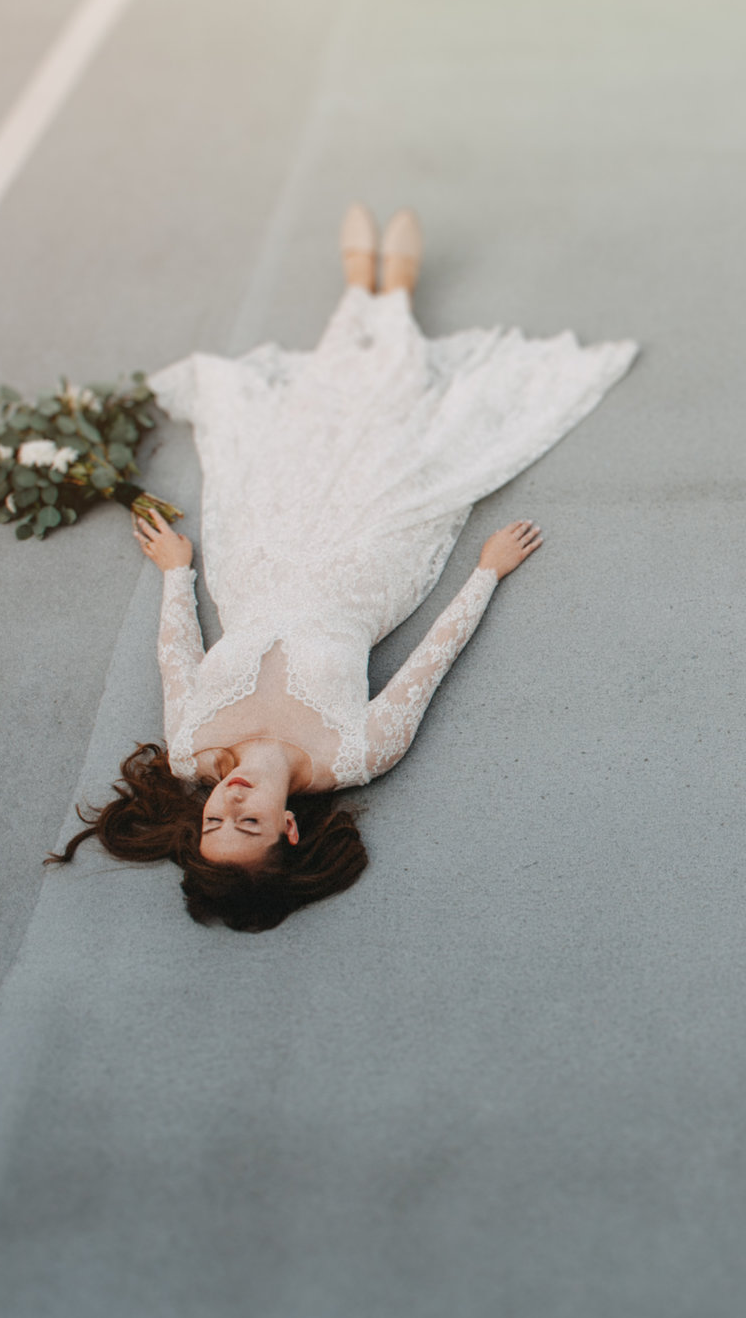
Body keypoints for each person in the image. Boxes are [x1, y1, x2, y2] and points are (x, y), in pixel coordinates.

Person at [56, 204, 637, 932]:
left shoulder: (188, 751)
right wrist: (486, 571)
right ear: (289, 830)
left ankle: (358, 289)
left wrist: (179, 572)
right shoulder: (357, 754)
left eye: (214, 824)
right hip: (368, 564)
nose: (231, 804)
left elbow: (179, 658)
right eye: (250, 824)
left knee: (300, 430)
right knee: (392, 433)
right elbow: (431, 661)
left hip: (255, 558)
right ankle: (393, 301)